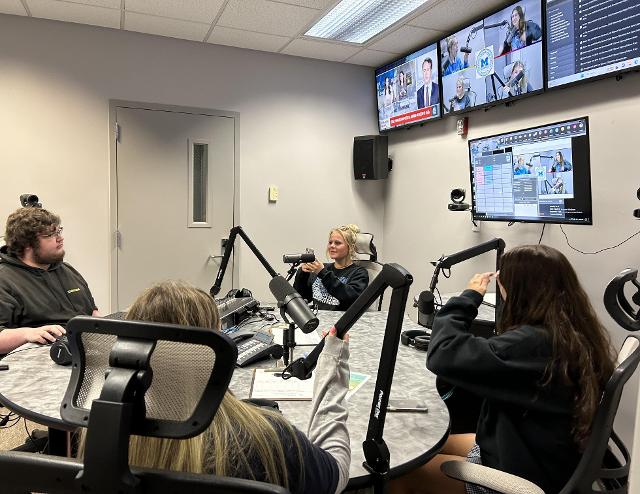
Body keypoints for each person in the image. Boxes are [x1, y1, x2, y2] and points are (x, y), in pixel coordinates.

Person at [78, 281, 351, 494]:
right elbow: (336, 474)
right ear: (215, 349)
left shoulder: (102, 430)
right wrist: (332, 366)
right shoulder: (266, 437)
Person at [389, 245, 615, 494]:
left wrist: (469, 296)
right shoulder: (574, 333)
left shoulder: (532, 344)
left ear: (518, 290)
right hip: (538, 452)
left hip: (521, 475)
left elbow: (443, 354)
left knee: (400, 471)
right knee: (421, 442)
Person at [0, 207, 99, 354]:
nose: (60, 238)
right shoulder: (5, 279)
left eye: (58, 231)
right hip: (37, 360)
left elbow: (93, 313)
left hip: (86, 351)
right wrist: (27, 334)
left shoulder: (66, 270)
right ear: (27, 244)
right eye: (50, 235)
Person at [293, 224, 368, 311]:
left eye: (338, 243)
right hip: (318, 320)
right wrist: (303, 274)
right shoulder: (322, 269)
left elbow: (350, 298)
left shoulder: (359, 273)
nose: (332, 246)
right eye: (330, 242)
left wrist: (322, 273)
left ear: (350, 247)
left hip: (341, 322)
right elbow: (303, 297)